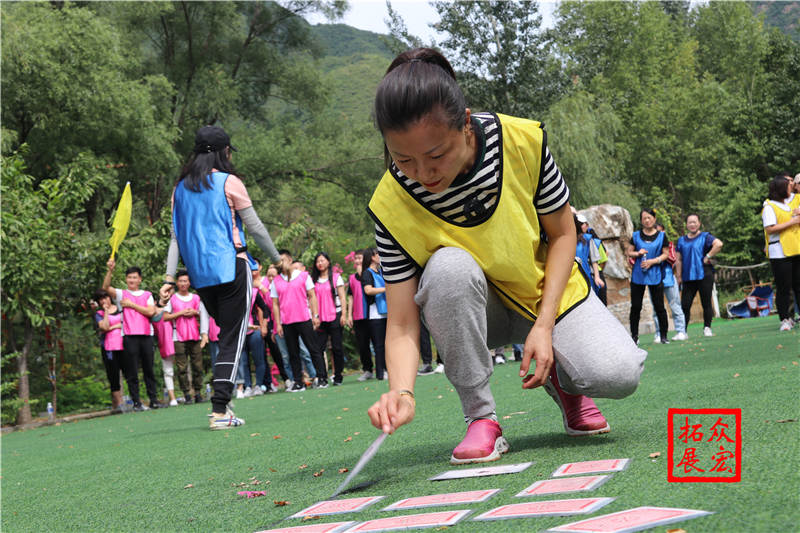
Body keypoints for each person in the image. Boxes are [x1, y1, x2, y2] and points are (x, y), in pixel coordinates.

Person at [365, 48, 646, 465]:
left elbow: (564, 233)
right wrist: (401, 391)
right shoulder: (389, 204)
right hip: (477, 312)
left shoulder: (521, 142)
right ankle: (481, 417)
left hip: (543, 294)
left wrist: (545, 325)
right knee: (447, 269)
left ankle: (567, 386)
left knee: (618, 374)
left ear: (464, 123)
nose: (423, 174)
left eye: (436, 155)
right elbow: (403, 322)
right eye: (404, 160)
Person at [161, 125, 280, 429]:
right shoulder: (230, 182)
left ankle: (223, 408)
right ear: (225, 152)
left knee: (226, 334)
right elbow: (256, 228)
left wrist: (169, 278)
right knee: (232, 337)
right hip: (233, 268)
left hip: (201, 279)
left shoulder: (179, 189)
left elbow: (175, 239)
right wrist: (278, 260)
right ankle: (218, 410)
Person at [103, 261, 162, 410]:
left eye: (135, 277)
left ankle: (153, 399)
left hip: (146, 335)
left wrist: (132, 305)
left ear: (140, 279)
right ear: (126, 279)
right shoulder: (121, 294)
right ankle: (137, 402)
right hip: (129, 336)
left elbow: (150, 312)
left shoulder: (147, 294)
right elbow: (105, 288)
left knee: (149, 369)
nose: (132, 280)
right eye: (129, 277)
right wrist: (110, 270)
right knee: (132, 371)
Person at [270, 249, 328, 391]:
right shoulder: (276, 281)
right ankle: (298, 382)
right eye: (278, 261)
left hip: (304, 318)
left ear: (290, 260)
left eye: (282, 260)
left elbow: (312, 296)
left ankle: (322, 378)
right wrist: (278, 324)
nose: (280, 264)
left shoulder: (303, 276)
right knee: (293, 353)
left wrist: (315, 316)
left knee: (313, 349)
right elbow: (275, 304)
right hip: (287, 322)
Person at [162, 270, 209, 403]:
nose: (183, 283)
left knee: (198, 365)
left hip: (194, 335)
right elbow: (165, 317)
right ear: (177, 283)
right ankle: (187, 394)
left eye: (185, 281)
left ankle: (198, 392)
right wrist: (181, 313)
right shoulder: (172, 298)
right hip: (178, 336)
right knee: (182, 367)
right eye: (181, 281)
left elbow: (204, 315)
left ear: (189, 283)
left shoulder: (196, 298)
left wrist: (194, 312)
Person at [761, 174, 800, 331]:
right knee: (784, 287)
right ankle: (785, 318)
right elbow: (770, 229)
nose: (792, 186)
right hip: (780, 252)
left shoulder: (794, 201)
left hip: (796, 248)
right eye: (788, 184)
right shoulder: (769, 207)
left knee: (799, 285)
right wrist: (791, 222)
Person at [675, 214, 723, 337]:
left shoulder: (705, 237)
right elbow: (678, 260)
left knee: (706, 302)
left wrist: (708, 256)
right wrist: (679, 276)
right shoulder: (681, 240)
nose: (692, 224)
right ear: (686, 225)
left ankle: (707, 327)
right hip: (687, 277)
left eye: (694, 222)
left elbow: (719, 244)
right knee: (685, 304)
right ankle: (683, 331)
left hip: (704, 274)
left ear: (699, 223)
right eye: (690, 222)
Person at [626, 209, 670, 345]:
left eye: (649, 218)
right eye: (644, 218)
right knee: (636, 306)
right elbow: (629, 252)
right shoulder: (635, 236)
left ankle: (663, 335)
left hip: (655, 273)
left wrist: (653, 261)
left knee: (659, 306)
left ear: (654, 219)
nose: (647, 220)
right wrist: (638, 253)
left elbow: (666, 254)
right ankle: (634, 336)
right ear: (641, 220)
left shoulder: (662, 236)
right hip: (638, 275)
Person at [311, 252, 348, 386]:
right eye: (318, 261)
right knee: (319, 349)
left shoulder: (336, 278)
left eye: (322, 260)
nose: (320, 263)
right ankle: (322, 377)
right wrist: (313, 316)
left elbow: (343, 297)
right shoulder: (312, 280)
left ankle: (338, 376)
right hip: (320, 318)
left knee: (337, 348)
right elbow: (310, 298)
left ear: (328, 262)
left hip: (335, 315)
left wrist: (344, 314)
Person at [650, 223, 687, 342]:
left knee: (675, 305)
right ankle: (659, 333)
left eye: (660, 232)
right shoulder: (647, 246)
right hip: (653, 280)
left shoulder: (669, 245)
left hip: (669, 279)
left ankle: (681, 331)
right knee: (656, 308)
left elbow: (672, 258)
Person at [93, 290, 125, 412]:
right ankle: (119, 404)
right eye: (100, 299)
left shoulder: (120, 307)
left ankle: (135, 400)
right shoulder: (99, 313)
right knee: (113, 376)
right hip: (109, 348)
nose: (103, 301)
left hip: (124, 345)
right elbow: (104, 327)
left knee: (130, 372)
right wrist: (106, 312)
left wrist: (114, 326)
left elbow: (127, 323)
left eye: (105, 297)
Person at [347, 249, 375, 381]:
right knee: (363, 345)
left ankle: (384, 368)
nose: (358, 261)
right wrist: (348, 315)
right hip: (358, 315)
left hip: (373, 313)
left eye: (360, 258)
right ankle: (367, 369)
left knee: (378, 343)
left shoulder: (371, 274)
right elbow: (350, 297)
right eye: (356, 258)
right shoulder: (352, 278)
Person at [360, 248, 388, 381]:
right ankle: (381, 373)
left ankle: (389, 369)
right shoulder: (367, 273)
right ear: (372, 257)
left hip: (387, 312)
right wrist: (386, 289)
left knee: (388, 344)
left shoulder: (382, 271)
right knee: (379, 345)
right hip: (375, 313)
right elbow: (368, 290)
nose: (380, 257)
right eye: (378, 254)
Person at [152, 300, 178, 406]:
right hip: (164, 344)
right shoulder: (149, 315)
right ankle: (173, 398)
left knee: (182, 368)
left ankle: (189, 395)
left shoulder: (168, 309)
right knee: (168, 371)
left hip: (177, 339)